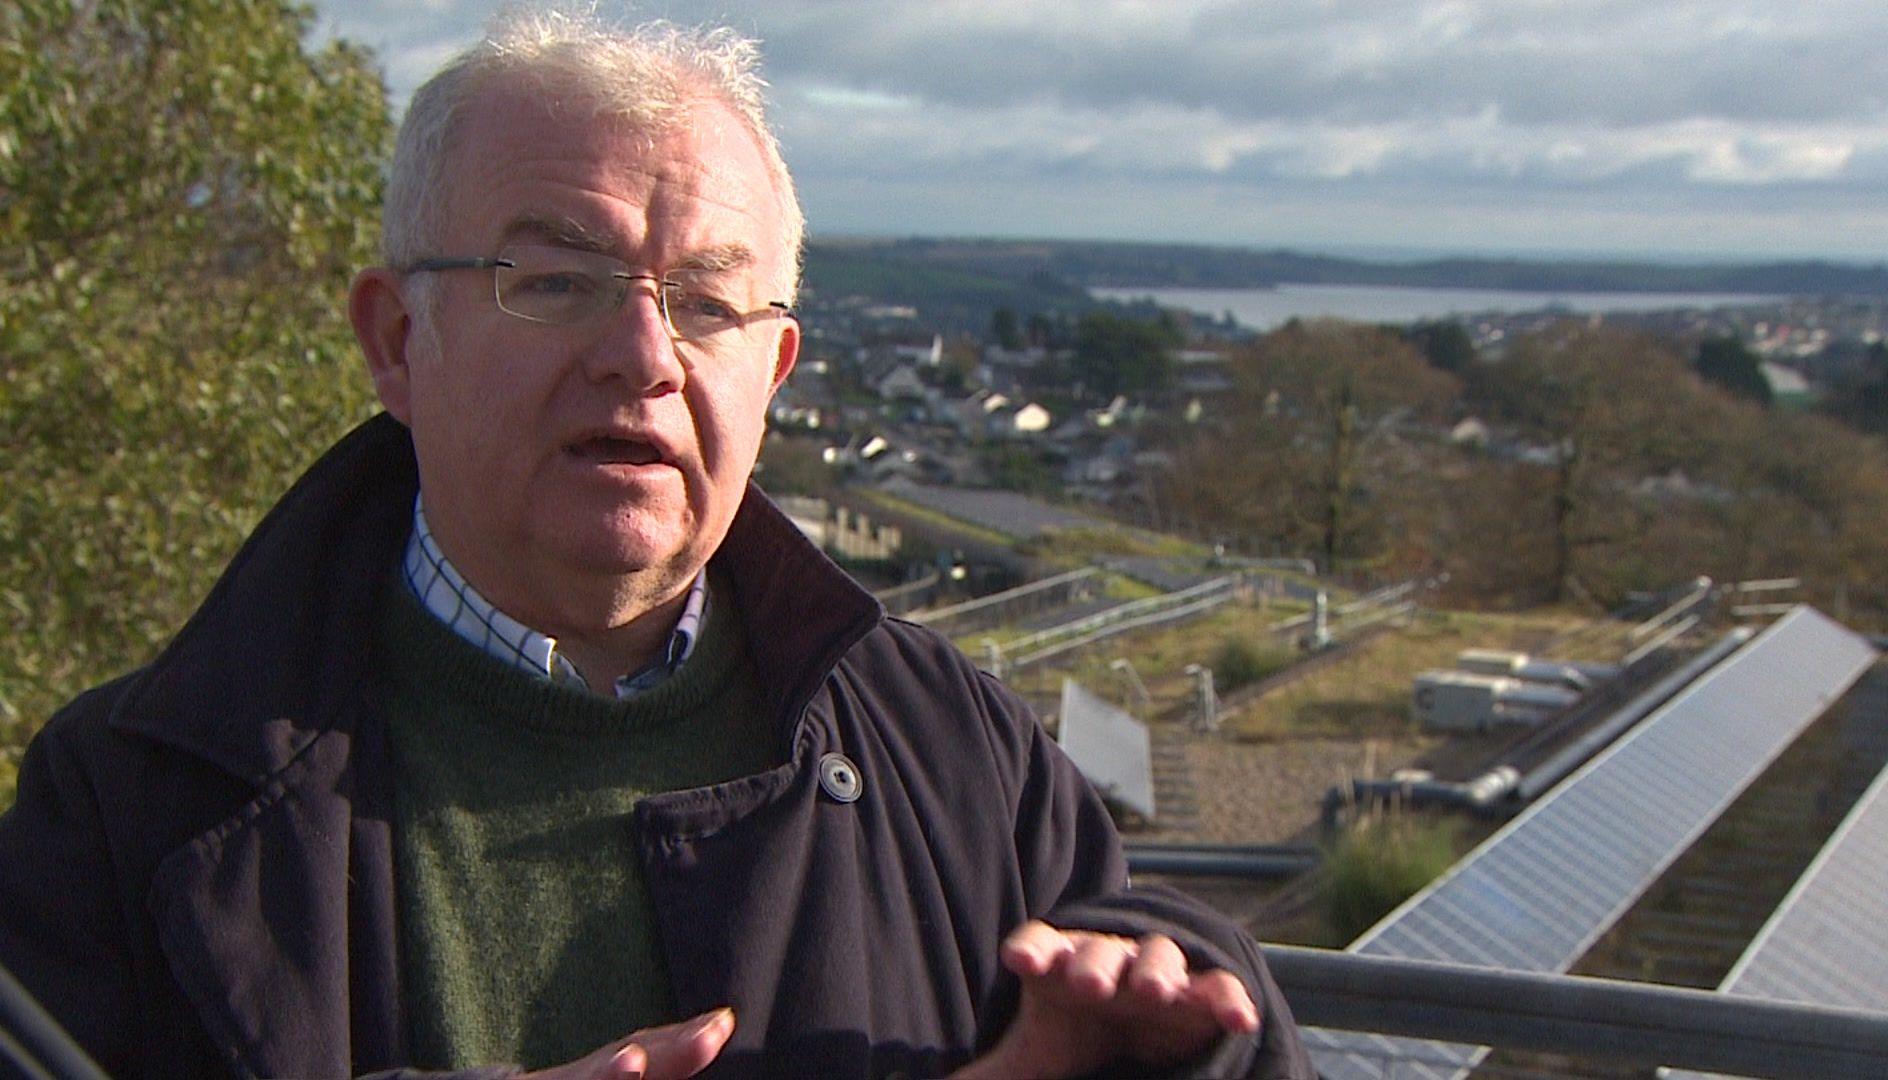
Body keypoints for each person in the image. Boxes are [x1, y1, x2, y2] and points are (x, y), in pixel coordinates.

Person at [0, 10, 1313, 1079]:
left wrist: (1170, 1042)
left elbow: (1142, 962)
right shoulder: (132, 803)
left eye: (706, 302)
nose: (643, 359)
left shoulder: (960, 750)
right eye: (555, 281)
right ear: (398, 341)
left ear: (777, 368)